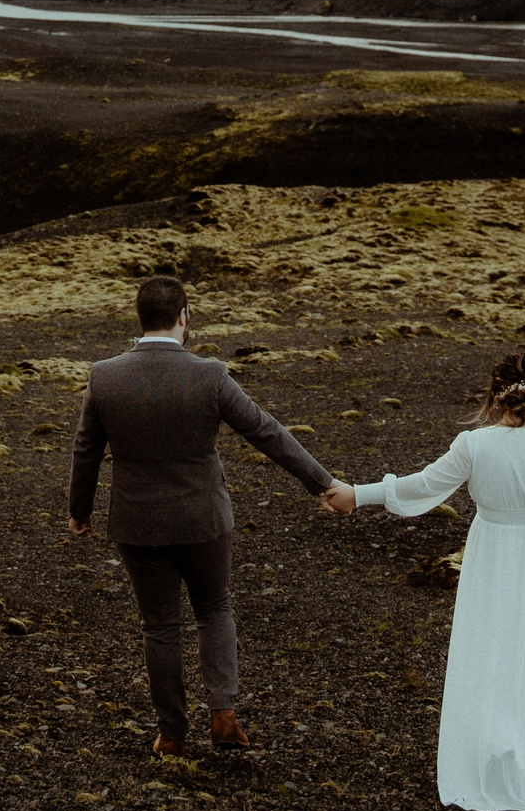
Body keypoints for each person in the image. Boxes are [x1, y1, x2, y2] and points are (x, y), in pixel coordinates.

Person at [69, 275, 353, 756]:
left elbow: (85, 452)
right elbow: (267, 433)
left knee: (158, 625)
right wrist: (322, 482)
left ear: (140, 318)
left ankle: (172, 735)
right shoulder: (210, 374)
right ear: (184, 316)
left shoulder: (105, 375)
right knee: (214, 608)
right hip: (203, 518)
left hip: (138, 523)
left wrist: (80, 511)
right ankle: (223, 716)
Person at [328, 350, 525, 811]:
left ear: (493, 395)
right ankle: (515, 754)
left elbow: (421, 485)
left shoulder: (475, 444)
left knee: (485, 650)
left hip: (491, 554)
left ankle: (486, 751)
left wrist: (357, 495)